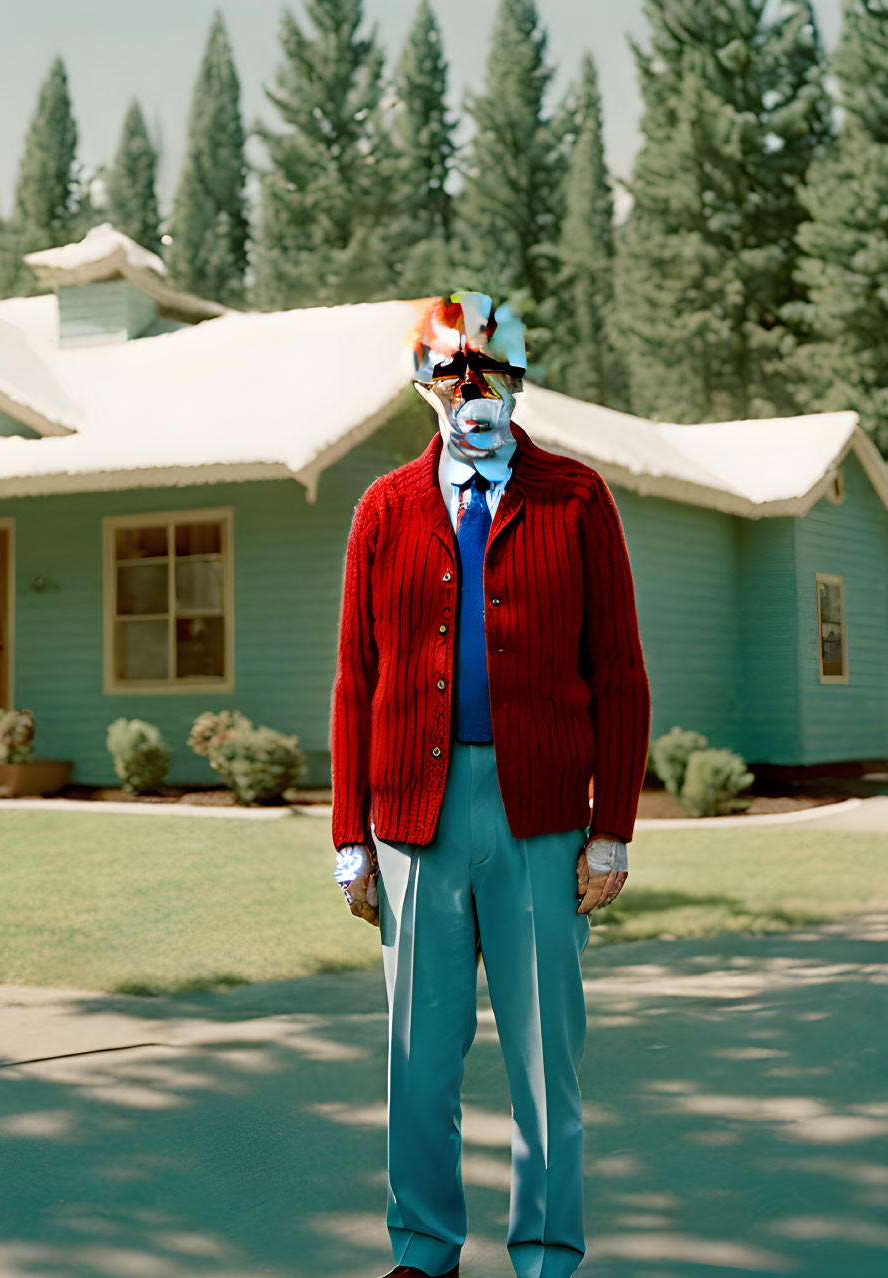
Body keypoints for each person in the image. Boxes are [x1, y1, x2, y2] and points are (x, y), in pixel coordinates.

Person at [330, 292, 651, 1278]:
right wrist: (349, 835)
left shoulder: (575, 500)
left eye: (491, 377)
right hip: (411, 822)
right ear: (425, 390)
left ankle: (546, 1254)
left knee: (542, 1060)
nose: (472, 395)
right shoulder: (383, 509)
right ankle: (422, 1252)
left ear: (516, 382)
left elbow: (620, 674)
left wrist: (613, 831)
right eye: (452, 377)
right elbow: (355, 678)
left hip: (542, 816)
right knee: (417, 1063)